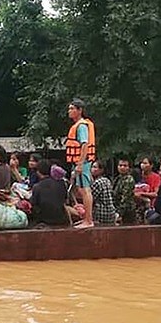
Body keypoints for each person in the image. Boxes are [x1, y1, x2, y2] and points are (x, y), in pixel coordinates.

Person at [65, 98, 96, 228]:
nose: (69, 111)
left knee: (85, 190)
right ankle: (87, 219)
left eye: (72, 109)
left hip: (82, 162)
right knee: (81, 189)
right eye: (69, 109)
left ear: (80, 110)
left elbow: (84, 145)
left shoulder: (81, 126)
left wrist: (80, 164)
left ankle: (88, 221)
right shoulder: (78, 125)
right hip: (80, 162)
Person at [30, 160, 69, 226]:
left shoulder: (37, 187)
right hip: (61, 217)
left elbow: (33, 203)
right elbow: (65, 199)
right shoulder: (61, 183)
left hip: (44, 219)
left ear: (38, 172)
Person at [90, 160, 116, 226]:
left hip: (101, 213)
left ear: (101, 170)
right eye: (92, 167)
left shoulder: (97, 182)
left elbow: (91, 198)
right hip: (111, 212)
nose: (92, 169)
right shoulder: (107, 180)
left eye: (95, 167)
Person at [112, 159, 136, 225]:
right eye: (120, 165)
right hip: (117, 208)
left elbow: (125, 198)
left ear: (129, 168)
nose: (122, 167)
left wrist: (119, 214)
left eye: (125, 166)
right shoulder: (117, 178)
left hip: (127, 211)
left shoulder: (129, 179)